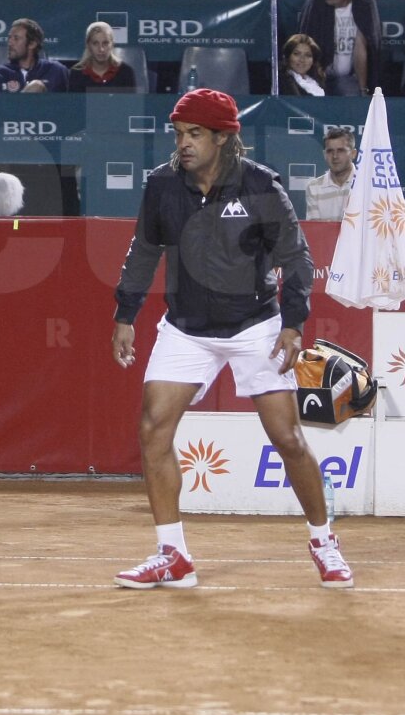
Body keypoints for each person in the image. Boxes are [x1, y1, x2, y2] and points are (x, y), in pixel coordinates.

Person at [111, 88, 353, 592]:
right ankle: (173, 555)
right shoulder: (161, 186)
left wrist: (292, 324)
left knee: (287, 438)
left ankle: (323, 539)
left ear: (223, 138)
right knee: (154, 428)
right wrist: (125, 314)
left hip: (255, 326)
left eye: (195, 134)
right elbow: (142, 249)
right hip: (186, 327)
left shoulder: (261, 185)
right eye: (179, 134)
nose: (184, 144)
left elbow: (298, 259)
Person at [297, 0, 381, 95]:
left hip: (349, 78)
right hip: (319, 76)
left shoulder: (365, 4)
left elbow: (362, 47)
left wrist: (363, 90)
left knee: (350, 95)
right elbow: (308, 44)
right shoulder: (316, 3)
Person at [0, 18, 68, 92]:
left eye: (16, 38)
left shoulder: (56, 71)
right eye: (9, 38)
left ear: (32, 44)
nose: (10, 42)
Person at [68, 20, 137, 91]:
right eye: (95, 43)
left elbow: (131, 102)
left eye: (105, 43)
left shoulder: (125, 72)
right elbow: (74, 102)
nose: (101, 49)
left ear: (112, 44)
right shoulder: (77, 74)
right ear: (88, 45)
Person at [303, 128, 357, 220]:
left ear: (353, 153)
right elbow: (315, 230)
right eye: (330, 151)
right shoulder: (314, 187)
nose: (335, 156)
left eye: (341, 150)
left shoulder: (367, 184)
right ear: (324, 154)